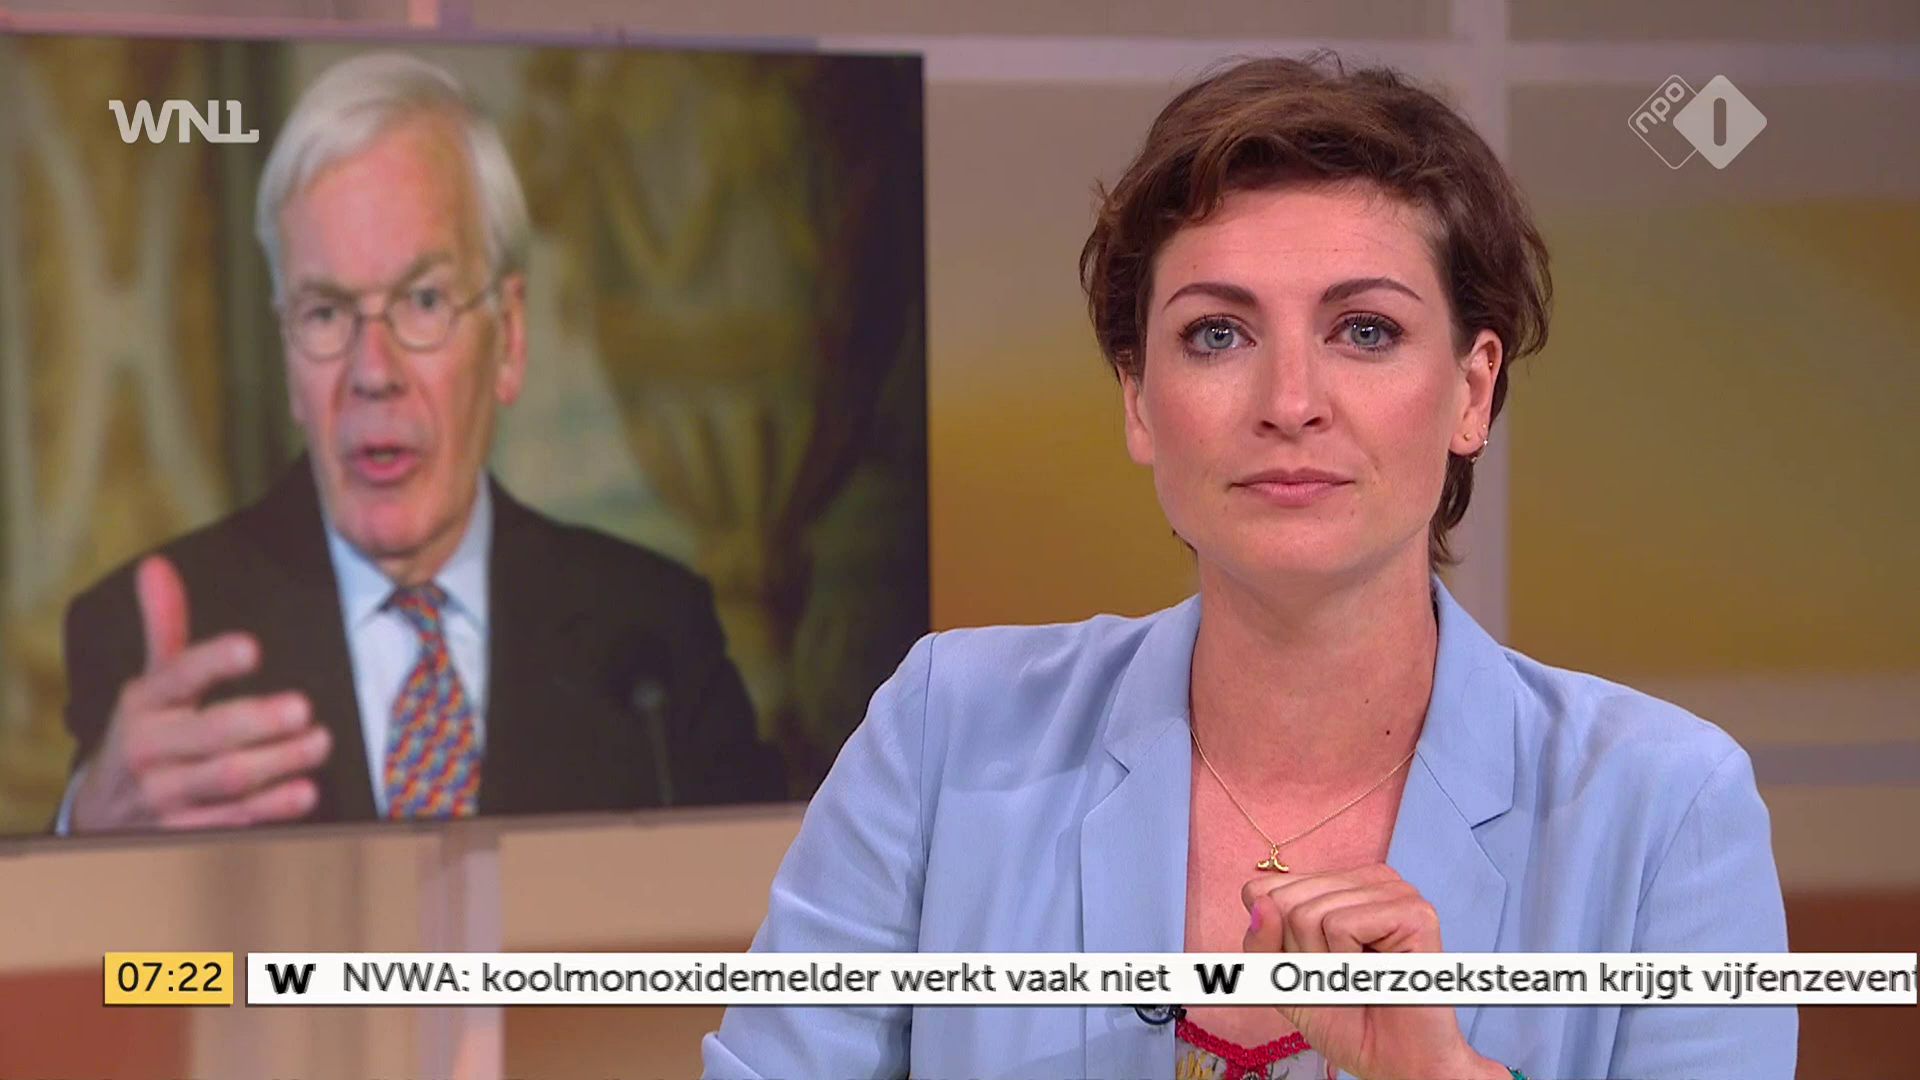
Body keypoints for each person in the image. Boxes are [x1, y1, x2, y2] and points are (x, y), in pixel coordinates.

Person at [703, 53, 1793, 1080]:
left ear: (1471, 391)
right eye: (1218, 335)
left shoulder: (1663, 808)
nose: (1290, 402)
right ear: (1139, 400)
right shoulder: (945, 732)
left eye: (1365, 330)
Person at [57, 52, 780, 833]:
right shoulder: (154, 649)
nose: (374, 372)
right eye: (325, 313)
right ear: (288, 360)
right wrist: (87, 834)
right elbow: (96, 915)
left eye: (425, 301)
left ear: (509, 339)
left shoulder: (653, 636)